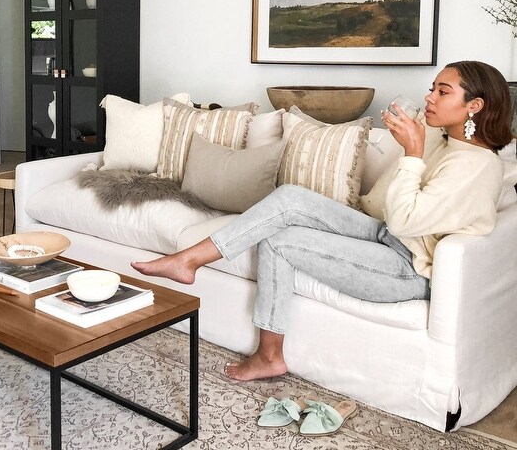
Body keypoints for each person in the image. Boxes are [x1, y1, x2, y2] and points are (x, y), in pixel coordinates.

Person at [132, 61, 515, 381]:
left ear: (475, 105)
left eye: (442, 92)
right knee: (291, 198)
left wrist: (412, 152)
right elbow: (384, 205)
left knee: (280, 242)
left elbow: (404, 219)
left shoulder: (477, 167)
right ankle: (190, 260)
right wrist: (413, 141)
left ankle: (269, 356)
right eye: (432, 88)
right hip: (386, 235)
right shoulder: (445, 141)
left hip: (408, 266)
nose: (430, 97)